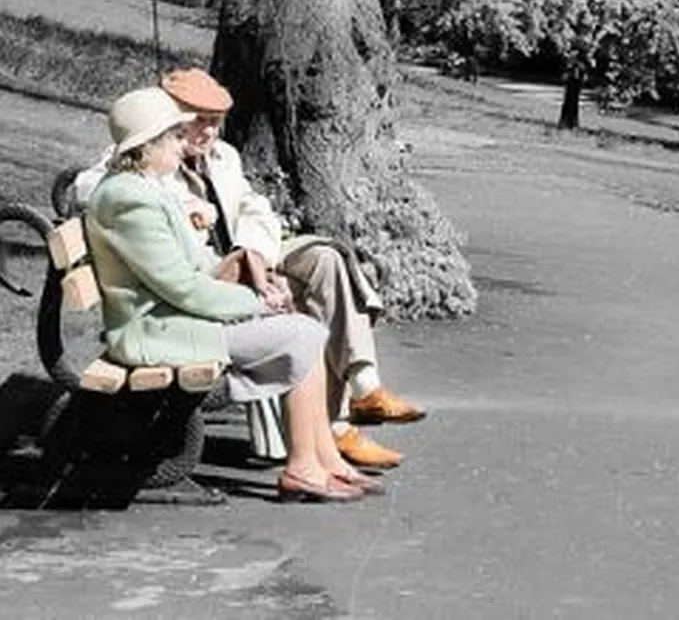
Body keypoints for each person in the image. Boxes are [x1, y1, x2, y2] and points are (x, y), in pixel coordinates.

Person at [74, 69, 425, 470]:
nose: (206, 132)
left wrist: (253, 251)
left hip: (246, 256)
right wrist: (186, 210)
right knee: (296, 323)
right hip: (205, 279)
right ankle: (329, 433)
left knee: (326, 259)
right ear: (169, 120)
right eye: (197, 121)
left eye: (215, 121)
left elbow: (254, 206)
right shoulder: (140, 165)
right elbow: (94, 187)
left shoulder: (223, 157)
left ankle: (363, 387)